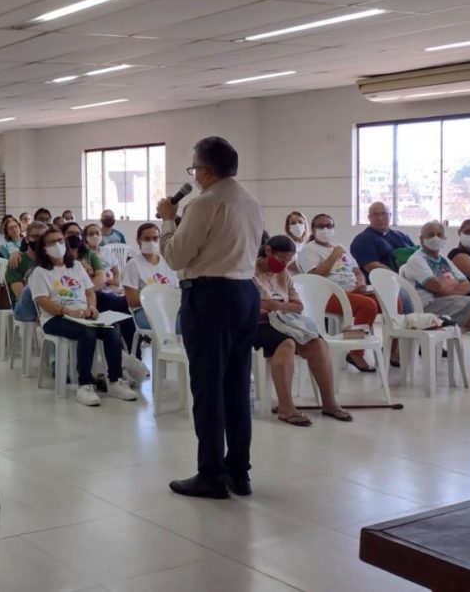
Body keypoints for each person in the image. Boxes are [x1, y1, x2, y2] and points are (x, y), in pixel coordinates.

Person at [156, 136, 263, 499]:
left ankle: (211, 474)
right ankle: (239, 472)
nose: (195, 175)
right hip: (246, 295)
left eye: (194, 168)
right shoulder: (250, 201)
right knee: (236, 386)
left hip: (211, 297)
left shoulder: (205, 203)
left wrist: (169, 221)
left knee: (208, 388)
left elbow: (175, 257)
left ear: (204, 171)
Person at [28, 227, 136, 405]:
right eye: (52, 242)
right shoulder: (40, 272)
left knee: (113, 330)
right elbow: (42, 301)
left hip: (82, 315)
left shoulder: (76, 266)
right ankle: (84, 384)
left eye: (60, 241)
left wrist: (92, 307)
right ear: (43, 248)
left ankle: (116, 381)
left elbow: (89, 292)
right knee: (87, 333)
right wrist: (66, 311)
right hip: (55, 318)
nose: (58, 245)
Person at [254, 235, 352, 426]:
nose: (284, 263)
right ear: (268, 251)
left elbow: (298, 306)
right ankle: (286, 407)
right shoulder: (248, 272)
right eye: (282, 258)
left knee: (317, 343)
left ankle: (329, 403)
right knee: (286, 343)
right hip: (257, 325)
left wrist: (273, 305)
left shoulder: (283, 274)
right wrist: (277, 306)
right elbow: (251, 308)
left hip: (286, 323)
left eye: (288, 260)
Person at [402, 221, 470, 383]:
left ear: (445, 239)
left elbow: (467, 285)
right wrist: (446, 288)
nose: (435, 238)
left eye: (439, 235)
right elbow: (435, 287)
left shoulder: (443, 260)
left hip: (451, 301)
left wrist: (445, 289)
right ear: (421, 239)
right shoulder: (417, 260)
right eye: (430, 235)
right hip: (430, 307)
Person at [297, 214, 379, 372]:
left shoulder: (339, 246)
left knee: (393, 302)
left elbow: (357, 270)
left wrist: (361, 282)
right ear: (313, 229)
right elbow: (315, 275)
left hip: (352, 291)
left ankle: (394, 353)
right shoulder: (310, 250)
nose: (325, 229)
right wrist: (335, 254)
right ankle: (355, 353)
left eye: (329, 226)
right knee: (367, 305)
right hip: (328, 295)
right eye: (321, 226)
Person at [123, 222, 180, 330]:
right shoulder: (133, 265)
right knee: (186, 325)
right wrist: (158, 298)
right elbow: (132, 300)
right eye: (147, 239)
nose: (151, 242)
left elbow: (176, 289)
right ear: (138, 240)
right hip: (144, 311)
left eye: (155, 238)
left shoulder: (166, 262)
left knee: (194, 317)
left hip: (169, 308)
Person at [350, 202, 415, 282]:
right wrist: (401, 280)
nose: (380, 218)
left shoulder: (401, 235)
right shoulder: (362, 240)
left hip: (412, 280)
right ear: (369, 217)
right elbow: (373, 267)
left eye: (384, 214)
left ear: (390, 215)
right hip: (383, 286)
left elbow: (416, 255)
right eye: (375, 214)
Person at [5, 221, 46, 302]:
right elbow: (21, 297)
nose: (40, 241)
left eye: (43, 237)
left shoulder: (50, 260)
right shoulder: (17, 261)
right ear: (27, 239)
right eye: (35, 237)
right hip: (26, 307)